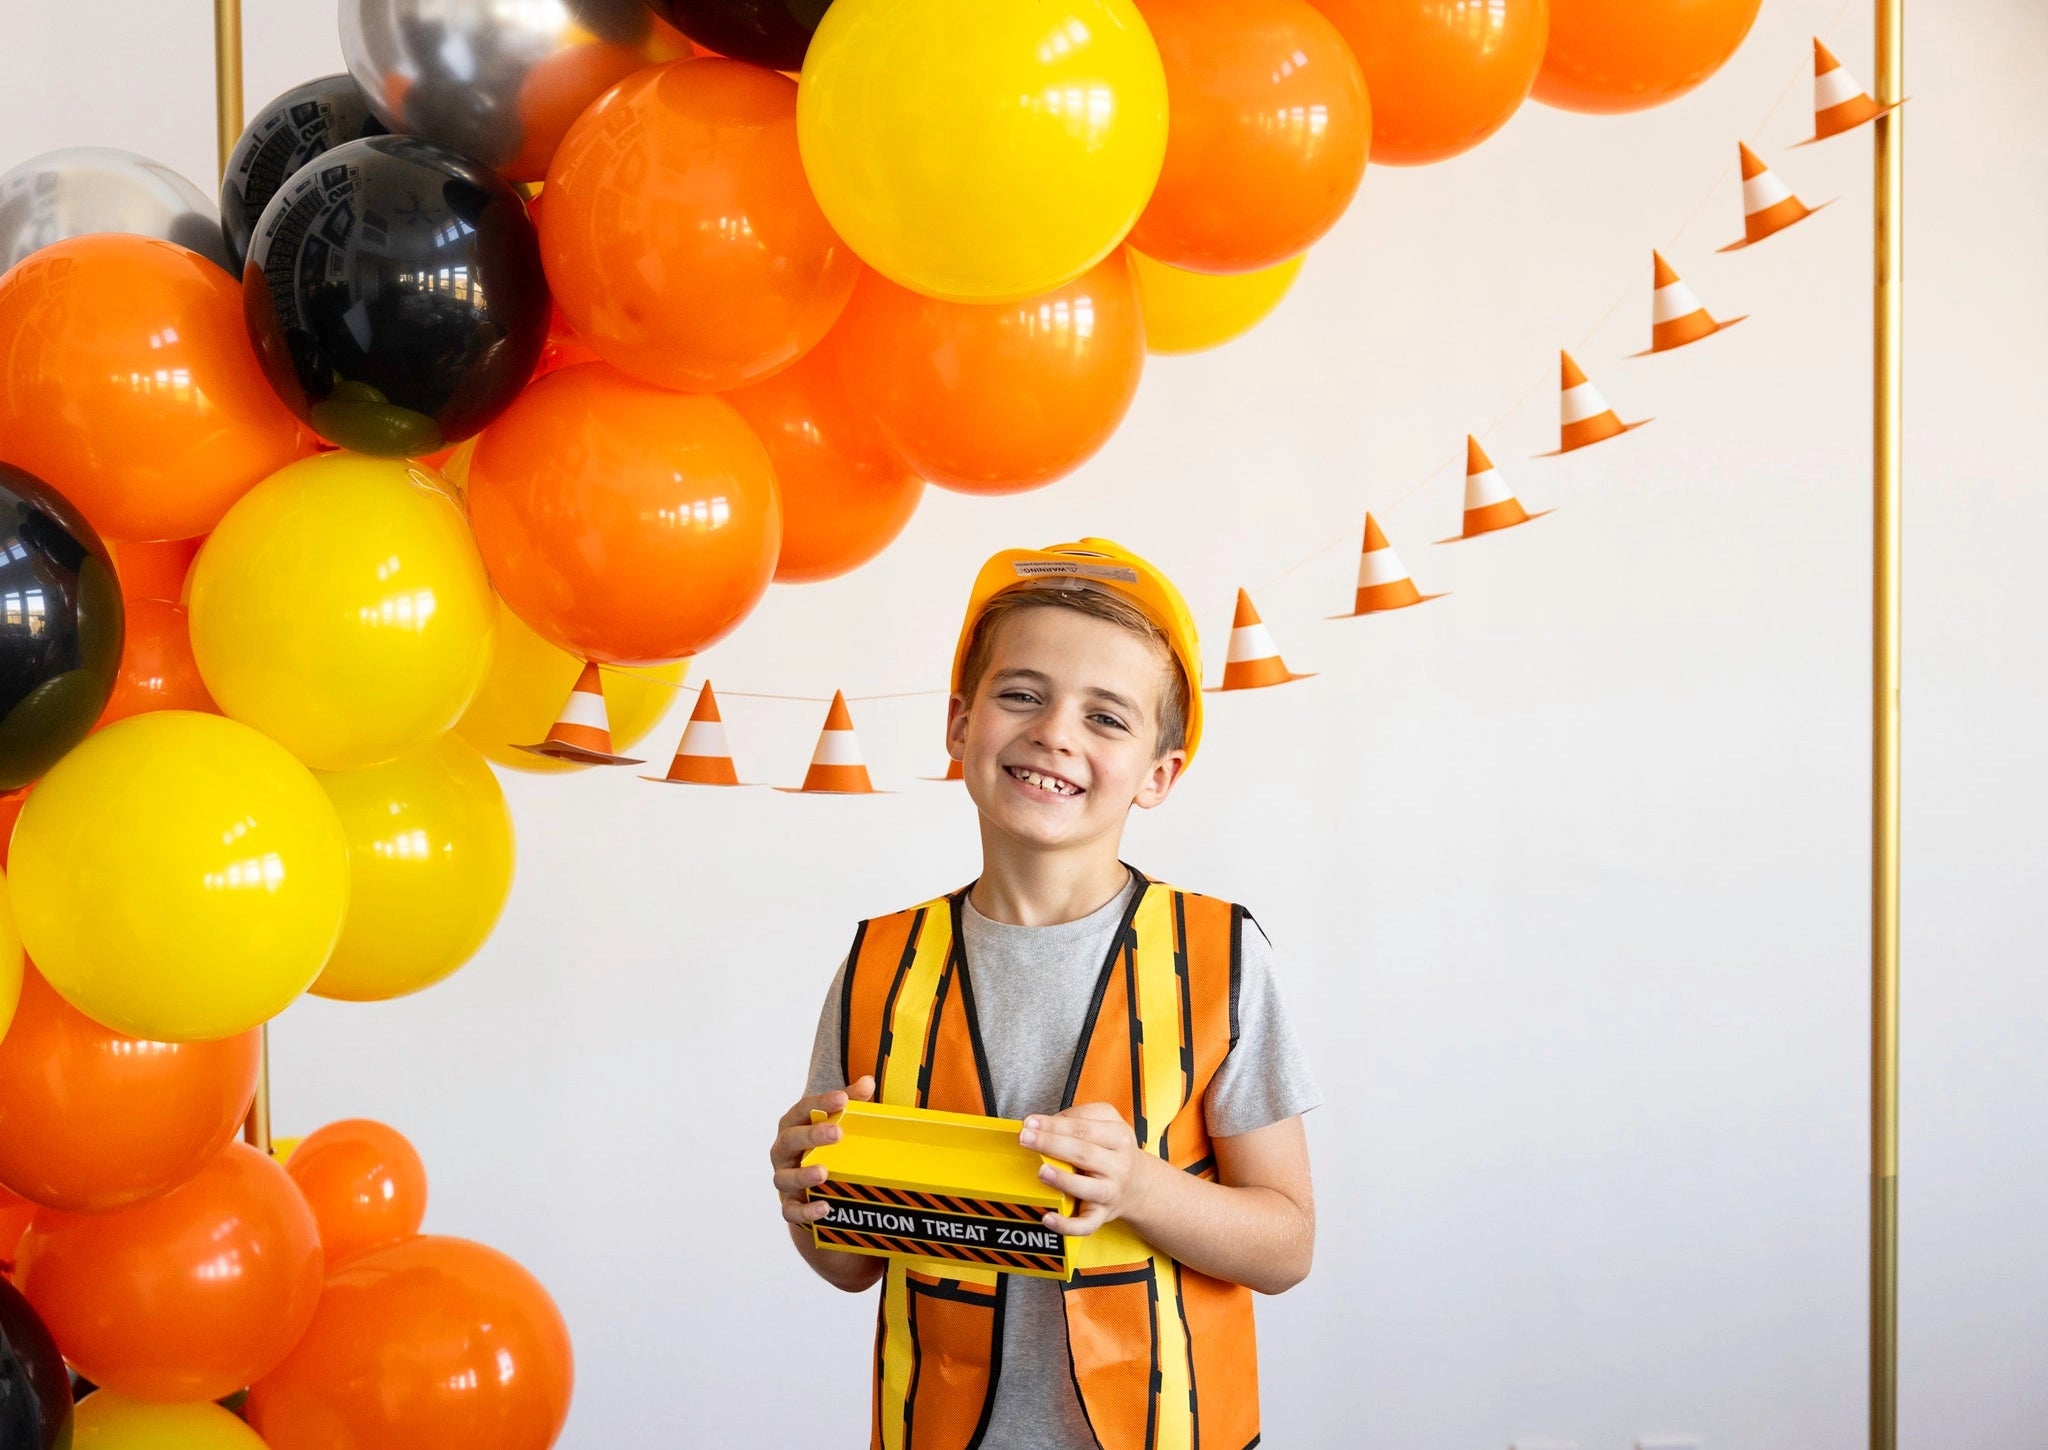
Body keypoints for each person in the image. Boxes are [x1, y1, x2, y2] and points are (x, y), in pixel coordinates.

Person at [769, 539, 1321, 1450]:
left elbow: (1287, 1246)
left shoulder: (1218, 956)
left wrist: (1140, 1185)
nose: (1055, 732)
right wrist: (808, 1195)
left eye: (1107, 718)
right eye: (1021, 694)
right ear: (959, 724)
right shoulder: (879, 966)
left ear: (1159, 774)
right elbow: (850, 1266)